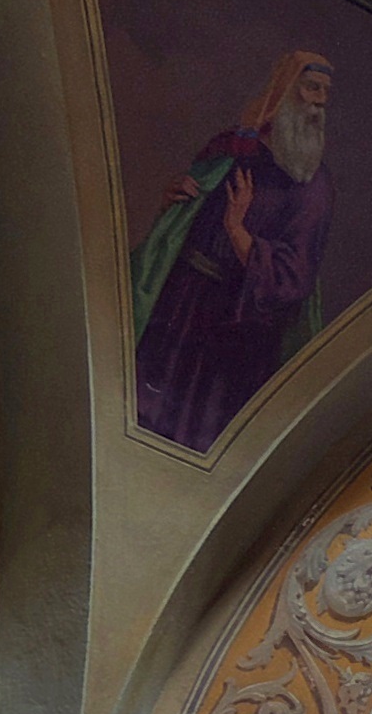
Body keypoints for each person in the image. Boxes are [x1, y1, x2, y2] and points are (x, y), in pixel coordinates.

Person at [130, 49, 336, 450]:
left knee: (195, 435)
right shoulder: (231, 147)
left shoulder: (314, 187)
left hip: (236, 328)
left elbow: (293, 280)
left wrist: (236, 230)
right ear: (285, 90)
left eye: (326, 92)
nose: (320, 102)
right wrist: (177, 200)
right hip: (179, 304)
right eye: (312, 88)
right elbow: (188, 212)